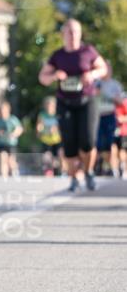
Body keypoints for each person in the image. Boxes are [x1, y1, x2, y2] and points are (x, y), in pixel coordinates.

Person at [38, 18, 108, 192]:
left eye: (76, 31)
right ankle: (74, 178)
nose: (73, 35)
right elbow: (43, 78)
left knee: (88, 140)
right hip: (65, 103)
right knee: (69, 143)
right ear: (63, 35)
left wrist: (92, 75)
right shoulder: (58, 55)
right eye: (69, 32)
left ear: (80, 33)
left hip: (87, 100)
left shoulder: (88, 51)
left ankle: (89, 171)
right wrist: (55, 75)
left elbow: (103, 69)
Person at [95, 64, 123, 177]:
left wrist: (108, 95)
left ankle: (111, 167)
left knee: (110, 143)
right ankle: (97, 166)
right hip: (96, 116)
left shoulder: (115, 85)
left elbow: (120, 101)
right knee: (97, 143)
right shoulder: (95, 83)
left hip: (110, 116)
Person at [0, 101, 23, 177]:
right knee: (2, 158)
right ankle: (3, 177)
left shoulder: (12, 119)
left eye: (4, 109)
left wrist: (14, 134)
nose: (2, 112)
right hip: (0, 144)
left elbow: (19, 129)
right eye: (1, 110)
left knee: (11, 161)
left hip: (11, 144)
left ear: (8, 110)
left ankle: (15, 172)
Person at [36, 95, 64, 176]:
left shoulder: (58, 114)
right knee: (47, 156)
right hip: (46, 139)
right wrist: (39, 130)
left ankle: (59, 171)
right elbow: (39, 125)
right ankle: (48, 170)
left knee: (58, 156)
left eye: (51, 105)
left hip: (57, 140)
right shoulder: (42, 114)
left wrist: (56, 129)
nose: (49, 107)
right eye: (47, 105)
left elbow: (62, 126)